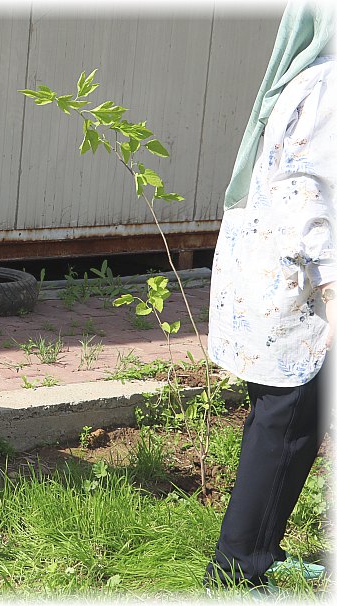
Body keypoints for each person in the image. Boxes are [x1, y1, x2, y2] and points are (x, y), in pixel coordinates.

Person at [205, 0, 335, 590]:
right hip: (298, 290)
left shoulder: (306, 77)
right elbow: (303, 192)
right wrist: (332, 283)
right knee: (287, 427)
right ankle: (237, 568)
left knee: (280, 422)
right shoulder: (330, 84)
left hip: (274, 281)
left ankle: (257, 548)